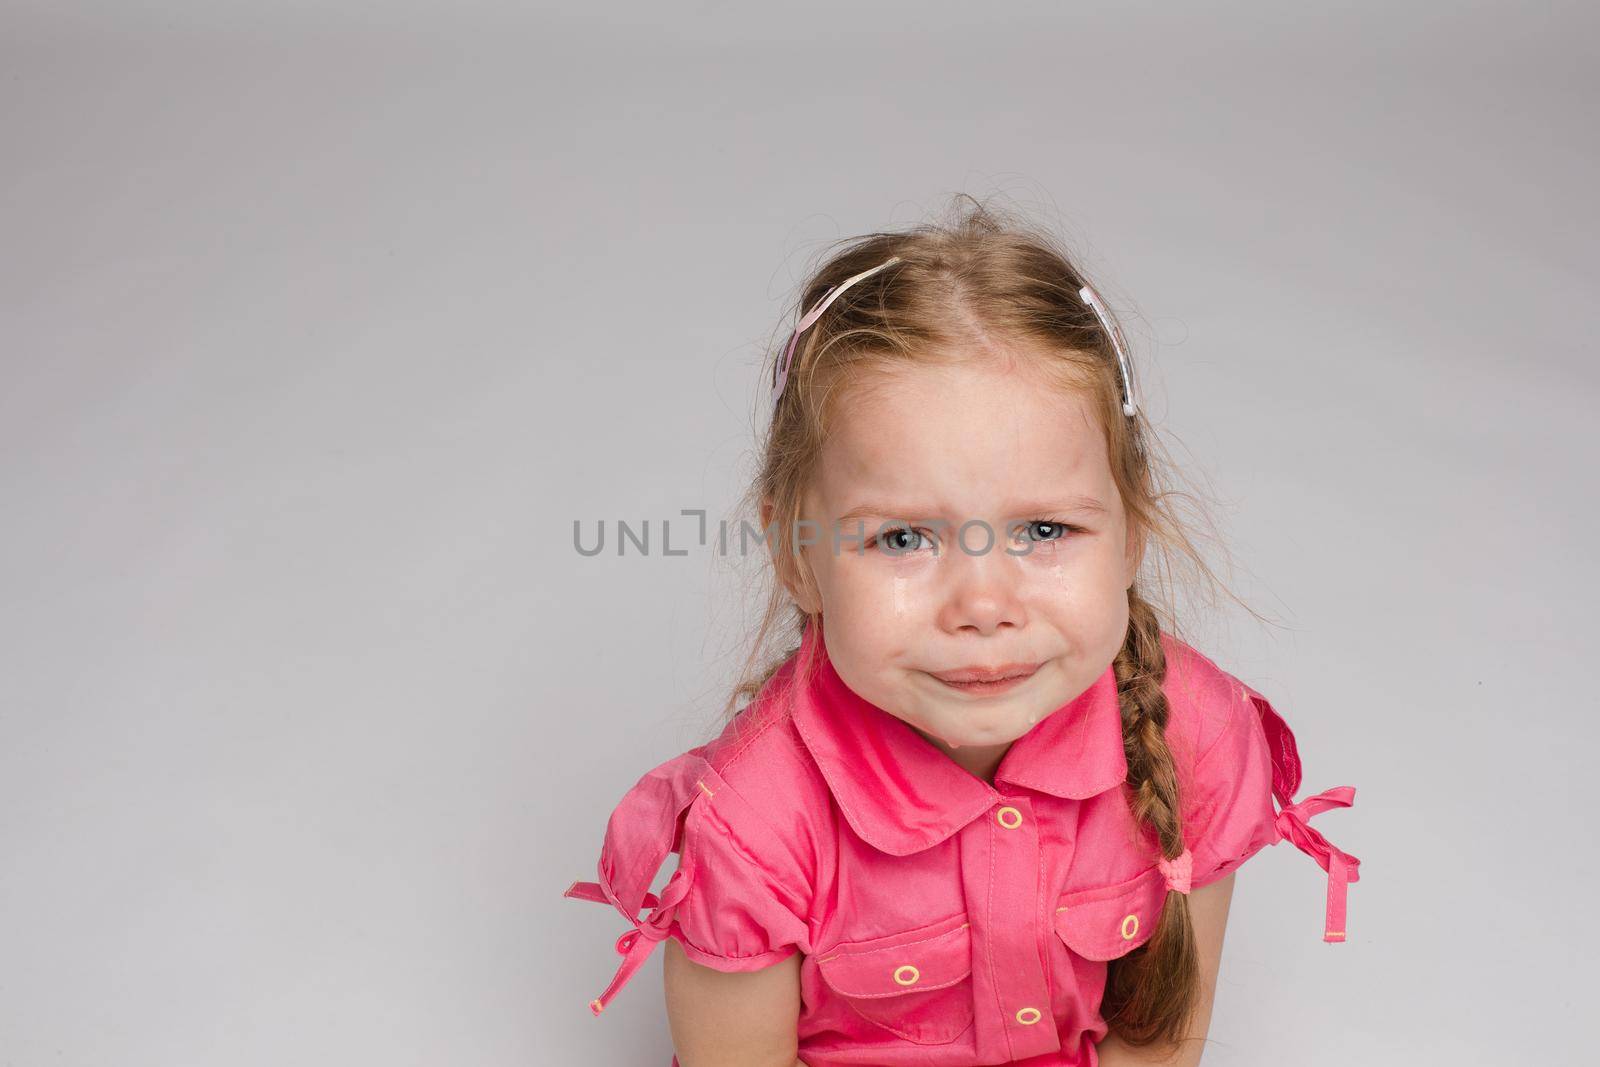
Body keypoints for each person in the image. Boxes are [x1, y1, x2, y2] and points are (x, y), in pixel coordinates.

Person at [563, 200, 1362, 1067]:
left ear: (1132, 533)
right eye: (904, 537)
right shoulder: (754, 822)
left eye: (1045, 531)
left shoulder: (1196, 727)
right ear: (798, 554)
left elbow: (1158, 1044)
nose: (984, 604)